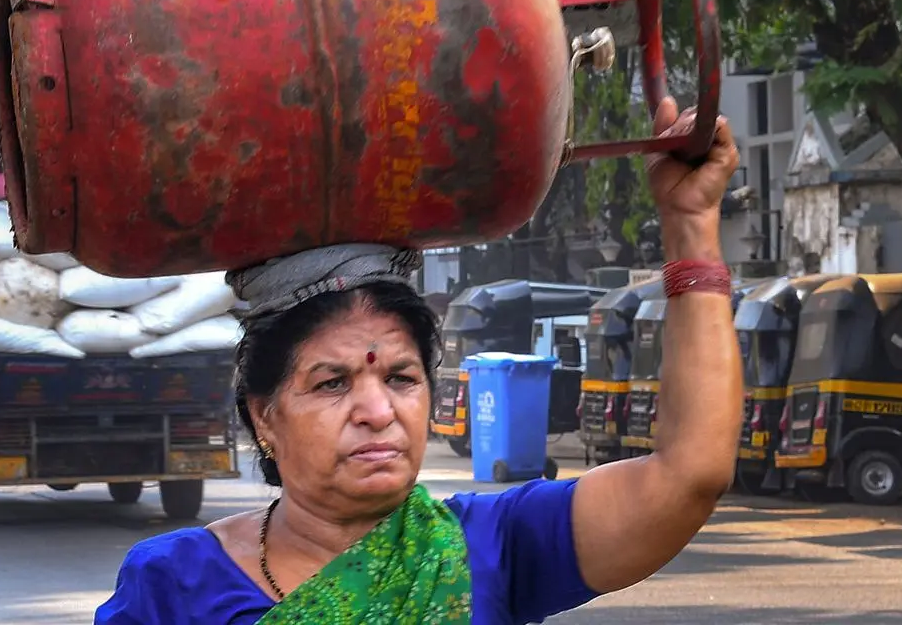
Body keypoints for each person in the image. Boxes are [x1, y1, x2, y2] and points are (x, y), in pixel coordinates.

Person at [94, 96, 742, 624]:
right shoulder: (171, 585)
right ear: (264, 416)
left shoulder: (490, 545)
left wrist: (690, 222)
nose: (377, 411)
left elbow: (690, 473)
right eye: (331, 383)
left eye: (401, 377)